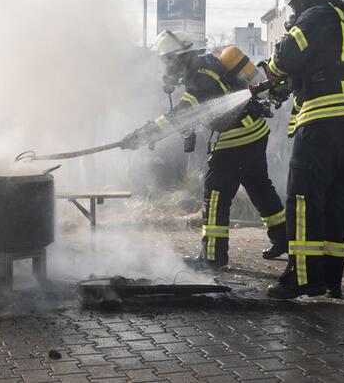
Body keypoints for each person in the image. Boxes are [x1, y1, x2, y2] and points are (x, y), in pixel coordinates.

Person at [121, 30, 287, 268]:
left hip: (236, 139)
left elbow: (178, 116)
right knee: (260, 188)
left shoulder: (200, 78)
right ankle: (282, 238)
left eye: (168, 60)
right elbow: (204, 109)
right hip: (255, 134)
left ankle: (212, 256)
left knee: (216, 193)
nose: (167, 67)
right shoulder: (206, 64)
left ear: (178, 57)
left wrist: (142, 135)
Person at [263, 0, 344, 299]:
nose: (292, 13)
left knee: (303, 197)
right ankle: (331, 277)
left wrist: (276, 58)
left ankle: (302, 277)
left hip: (325, 115)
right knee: (338, 198)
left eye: (292, 6)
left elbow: (286, 58)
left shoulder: (315, 15)